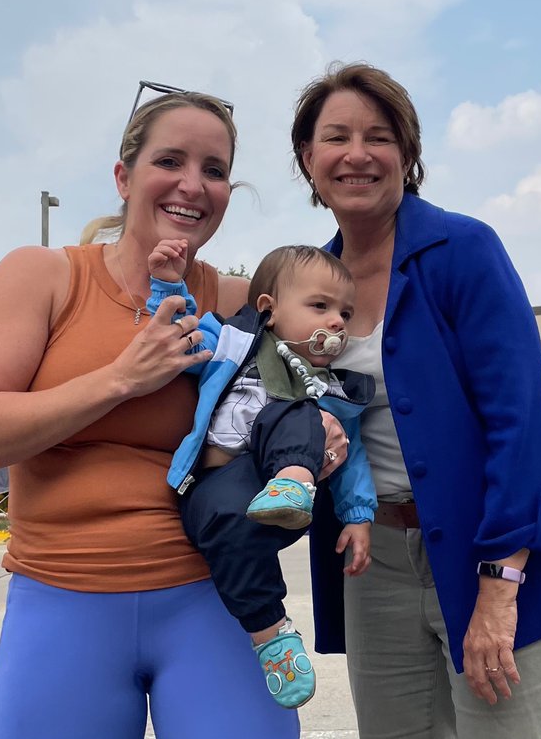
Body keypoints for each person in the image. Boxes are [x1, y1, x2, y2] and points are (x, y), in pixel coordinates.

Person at [0, 90, 313, 739]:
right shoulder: (47, 277)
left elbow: (297, 402)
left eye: (215, 169)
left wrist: (319, 438)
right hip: (61, 597)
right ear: (123, 176)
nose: (193, 184)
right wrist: (119, 378)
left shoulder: (237, 300)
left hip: (215, 598)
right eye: (170, 159)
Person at [291, 63, 541, 739]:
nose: (357, 153)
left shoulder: (463, 250)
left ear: (408, 155)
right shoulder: (307, 282)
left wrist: (500, 584)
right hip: (372, 559)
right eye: (336, 137)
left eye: (378, 136)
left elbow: (520, 421)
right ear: (308, 158)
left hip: (492, 554)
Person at [148, 239, 375, 709]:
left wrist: (358, 516)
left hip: (279, 490)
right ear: (268, 309)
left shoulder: (331, 389)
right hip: (212, 489)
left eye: (345, 315)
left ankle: (291, 482)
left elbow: (352, 458)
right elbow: (182, 333)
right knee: (228, 538)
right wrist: (168, 285)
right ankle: (270, 634)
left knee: (298, 414)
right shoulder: (234, 344)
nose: (336, 322)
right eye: (320, 306)